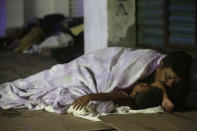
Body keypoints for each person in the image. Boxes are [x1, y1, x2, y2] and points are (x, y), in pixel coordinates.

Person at [0, 47, 193, 113]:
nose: (169, 83)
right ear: (160, 65)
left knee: (72, 99)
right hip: (95, 66)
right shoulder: (142, 62)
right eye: (168, 78)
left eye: (174, 82)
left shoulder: (137, 93)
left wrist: (92, 96)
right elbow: (113, 84)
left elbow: (115, 94)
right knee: (49, 78)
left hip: (103, 91)